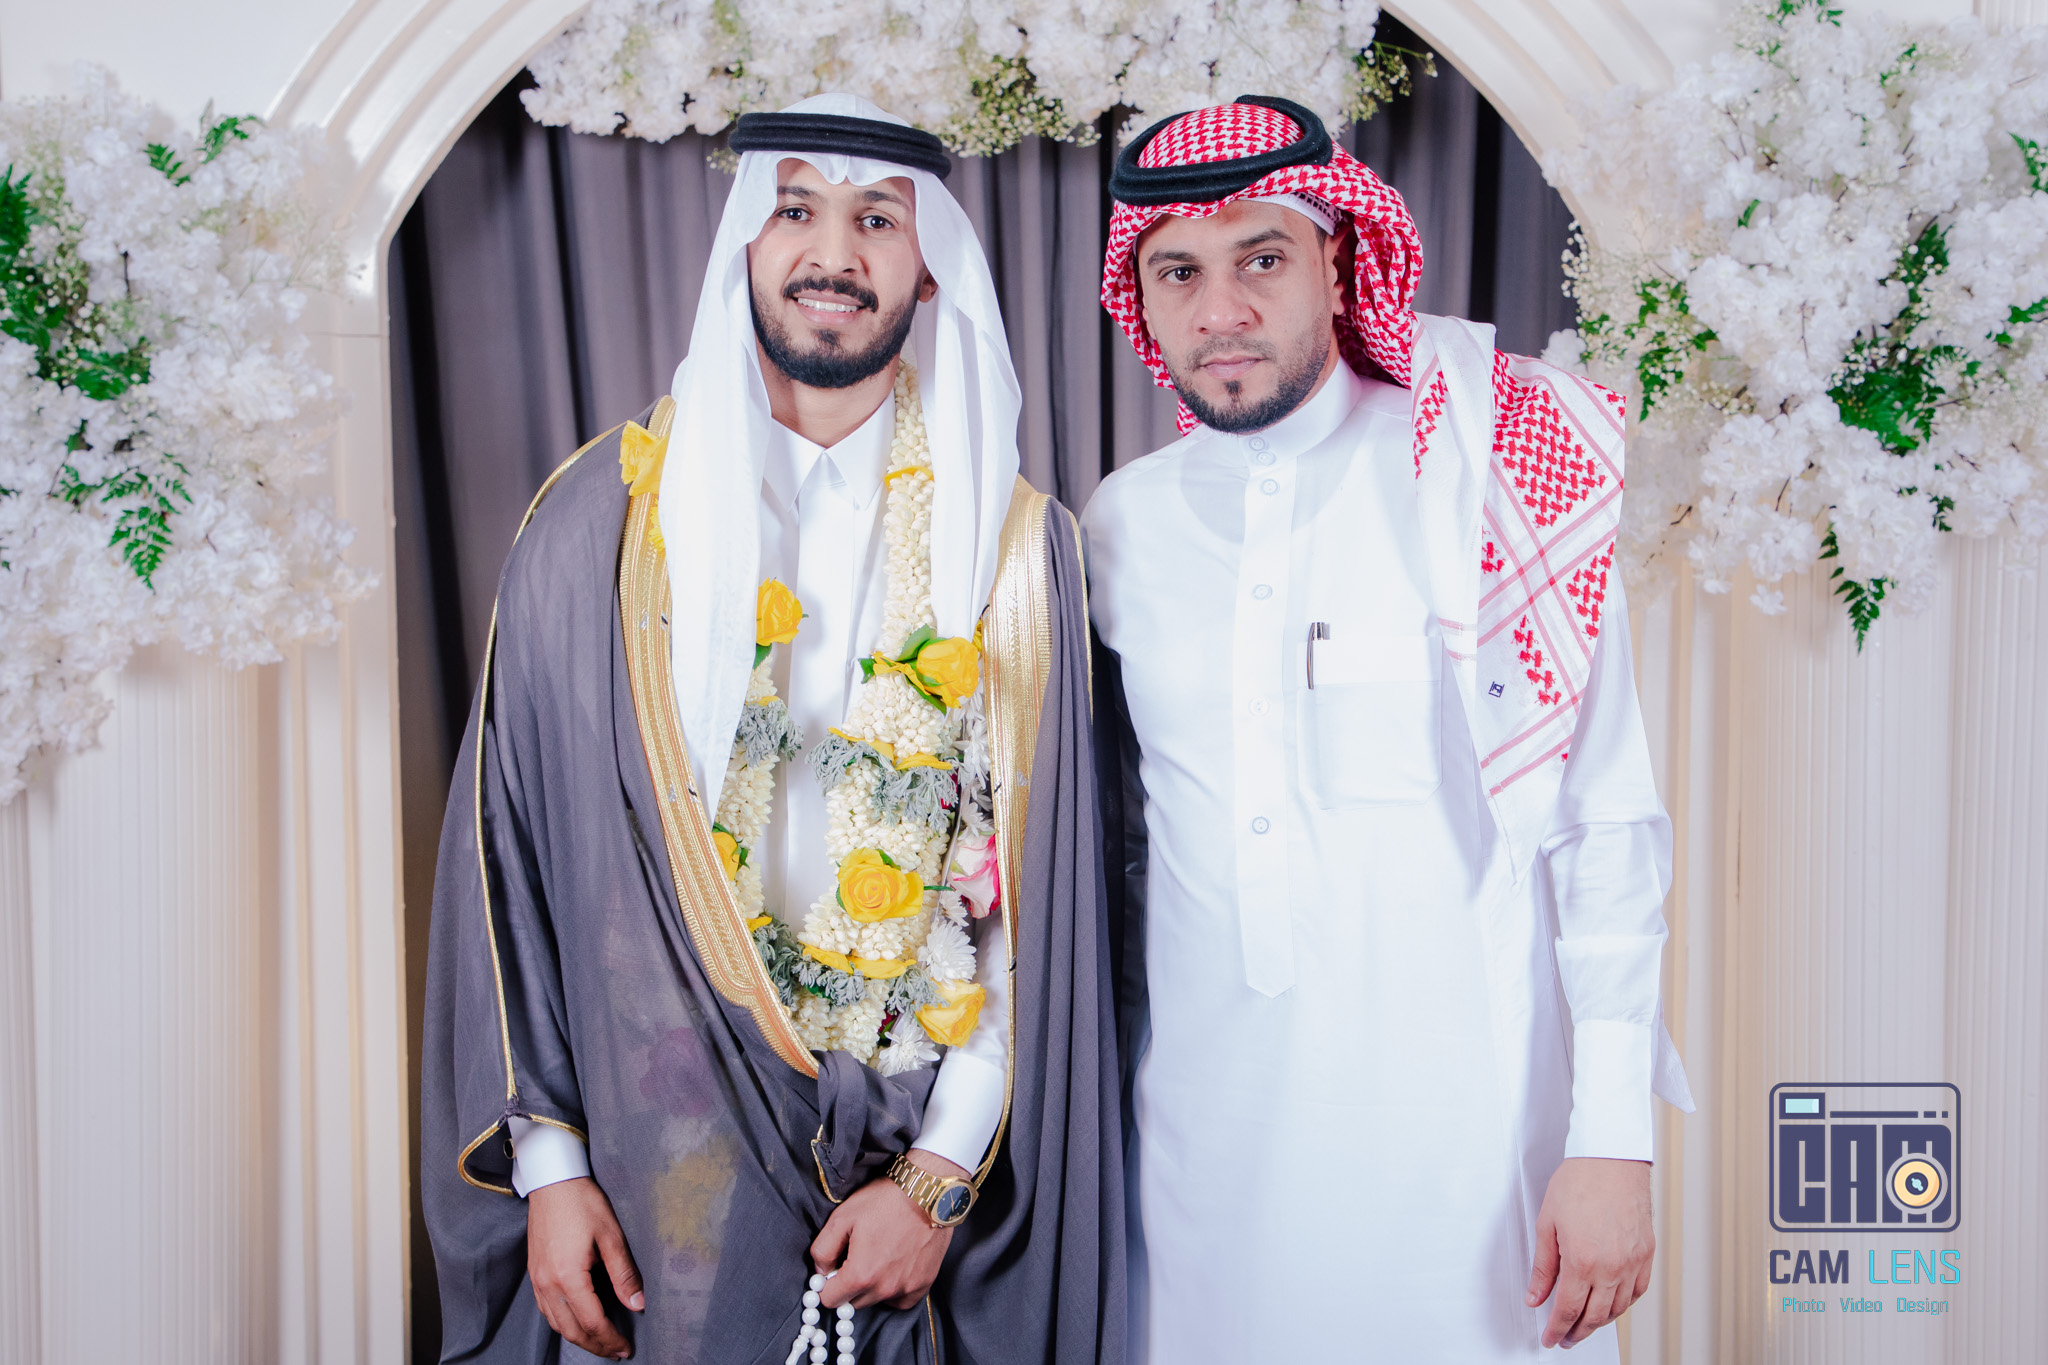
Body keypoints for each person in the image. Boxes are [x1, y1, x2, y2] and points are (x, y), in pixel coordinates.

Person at [421, 93, 1121, 1365]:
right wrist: (551, 1167)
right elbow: (509, 853)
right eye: (795, 209)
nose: (832, 254)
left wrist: (941, 1173)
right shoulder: (603, 523)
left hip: (905, 1175)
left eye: (877, 220)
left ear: (928, 266)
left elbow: (1039, 908)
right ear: (746, 238)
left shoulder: (1017, 552)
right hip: (647, 1161)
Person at [1082, 96, 1693, 1363]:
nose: (1220, 310)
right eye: (1177, 273)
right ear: (1139, 298)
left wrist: (1610, 1137)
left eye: (1261, 258)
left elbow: (1601, 824)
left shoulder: (1485, 472)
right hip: (1200, 1168)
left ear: (1338, 260)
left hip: (1464, 1163)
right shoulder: (1117, 528)